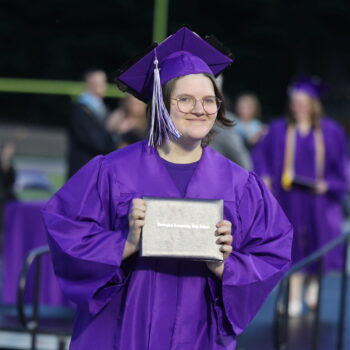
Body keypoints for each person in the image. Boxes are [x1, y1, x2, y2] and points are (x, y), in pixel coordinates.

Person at [42, 27, 293, 350]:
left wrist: (225, 264)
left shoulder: (239, 184)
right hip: (121, 329)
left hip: (198, 331)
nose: (199, 109)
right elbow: (66, 230)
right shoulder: (112, 171)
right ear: (161, 104)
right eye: (185, 99)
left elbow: (273, 250)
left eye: (208, 100)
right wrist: (125, 242)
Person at [254, 75, 348, 317]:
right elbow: (260, 156)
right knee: (292, 247)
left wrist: (329, 184)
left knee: (319, 244)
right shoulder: (278, 129)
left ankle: (313, 288)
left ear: (314, 104)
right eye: (295, 102)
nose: (299, 107)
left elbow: (342, 166)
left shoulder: (331, 131)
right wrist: (264, 176)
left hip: (319, 201)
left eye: (304, 102)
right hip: (289, 199)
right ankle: (294, 295)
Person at [67, 69, 121, 178]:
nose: (102, 86)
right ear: (88, 84)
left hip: (97, 169)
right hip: (84, 169)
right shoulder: (81, 110)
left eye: (103, 82)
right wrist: (110, 129)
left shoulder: (102, 109)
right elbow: (94, 142)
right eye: (97, 83)